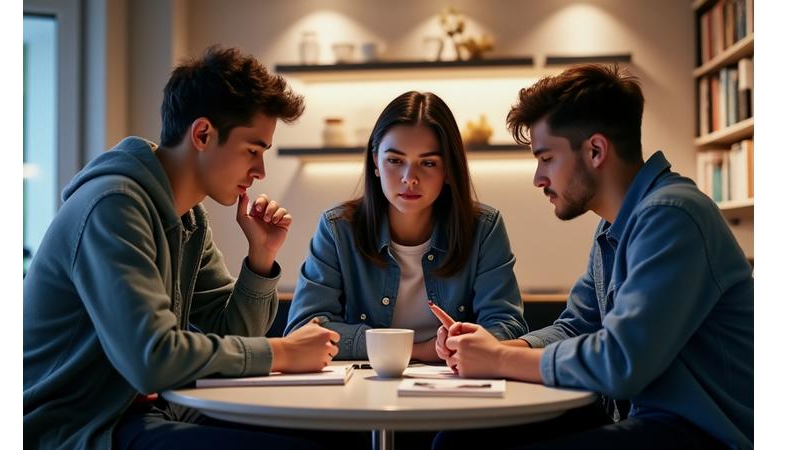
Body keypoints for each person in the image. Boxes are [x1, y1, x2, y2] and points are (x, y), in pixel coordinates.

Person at [23, 46, 340, 450]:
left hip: (140, 414)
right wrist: (281, 352)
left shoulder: (189, 218)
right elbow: (152, 359)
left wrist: (260, 259)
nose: (260, 171)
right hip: (74, 428)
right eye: (253, 150)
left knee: (330, 437)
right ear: (203, 134)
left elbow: (229, 332)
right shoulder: (113, 205)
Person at [433, 64, 753, 450]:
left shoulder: (673, 215)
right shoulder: (614, 226)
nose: (538, 178)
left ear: (596, 150)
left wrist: (499, 360)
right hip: (646, 418)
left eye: (546, 158)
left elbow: (620, 362)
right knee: (457, 442)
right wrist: (486, 348)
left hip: (705, 432)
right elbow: (576, 326)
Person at [285, 90, 528, 363]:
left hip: (454, 382)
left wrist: (465, 341)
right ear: (375, 162)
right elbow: (304, 330)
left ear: (448, 169)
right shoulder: (338, 229)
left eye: (428, 163)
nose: (409, 178)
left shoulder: (483, 228)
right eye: (395, 161)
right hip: (363, 386)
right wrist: (419, 349)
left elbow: (507, 326)